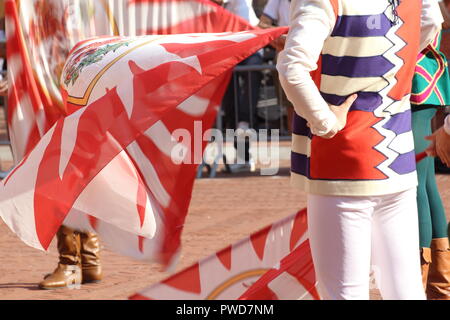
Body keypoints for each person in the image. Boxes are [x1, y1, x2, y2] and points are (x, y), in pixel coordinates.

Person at [277, 0, 443, 299]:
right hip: (397, 155)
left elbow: (292, 69)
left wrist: (325, 122)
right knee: (405, 289)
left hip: (340, 162)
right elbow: (431, 22)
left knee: (345, 292)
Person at [411, 1, 450, 300]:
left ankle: (421, 284)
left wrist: (400, 56)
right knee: (423, 184)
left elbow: (432, 18)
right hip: (415, 81)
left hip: (413, 80)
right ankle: (437, 285)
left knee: (415, 184)